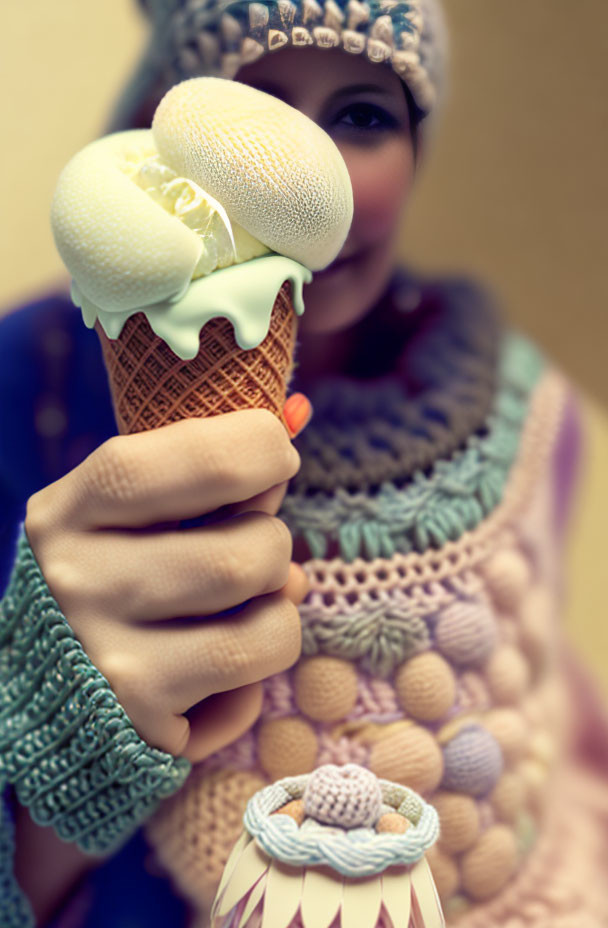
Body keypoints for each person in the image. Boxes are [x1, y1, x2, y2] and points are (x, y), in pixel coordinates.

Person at [1, 1, 607, 926]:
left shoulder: (531, 414)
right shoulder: (26, 385)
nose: (310, 175)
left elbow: (550, 734)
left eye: (362, 115)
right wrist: (58, 749)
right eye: (255, 109)